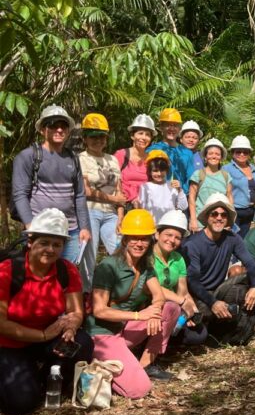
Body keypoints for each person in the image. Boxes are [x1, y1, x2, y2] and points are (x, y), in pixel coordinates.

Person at [0, 209, 94, 415]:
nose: (50, 249)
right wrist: (43, 335)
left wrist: (71, 326)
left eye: (57, 244)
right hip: (9, 343)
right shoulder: (8, 270)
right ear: (30, 242)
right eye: (44, 243)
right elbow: (2, 324)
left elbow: (76, 311)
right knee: (21, 405)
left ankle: (46, 379)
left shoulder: (66, 270)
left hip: (47, 338)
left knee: (82, 342)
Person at [87, 209, 181, 396]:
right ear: (125, 239)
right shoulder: (109, 266)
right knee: (140, 389)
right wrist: (140, 315)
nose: (139, 243)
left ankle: (143, 365)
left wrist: (154, 312)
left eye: (144, 238)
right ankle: (98, 362)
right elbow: (99, 310)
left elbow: (160, 295)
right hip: (102, 335)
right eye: (134, 238)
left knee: (171, 308)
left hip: (124, 329)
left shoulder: (144, 265)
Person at [12, 105, 91, 264]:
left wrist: (84, 227)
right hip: (41, 230)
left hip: (70, 230)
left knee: (66, 276)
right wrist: (30, 226)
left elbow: (80, 195)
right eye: (53, 125)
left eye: (64, 126)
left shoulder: (73, 158)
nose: (59, 129)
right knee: (37, 277)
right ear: (42, 129)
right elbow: (20, 194)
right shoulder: (28, 156)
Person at [182, 194, 255, 336]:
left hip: (219, 289)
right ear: (207, 216)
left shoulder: (232, 238)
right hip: (198, 295)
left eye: (224, 215)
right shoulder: (193, 243)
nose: (219, 218)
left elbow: (250, 263)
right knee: (200, 325)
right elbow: (193, 281)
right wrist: (212, 302)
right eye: (214, 214)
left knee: (246, 288)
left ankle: (238, 334)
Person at [79, 113, 126, 287]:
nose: (97, 140)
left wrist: (120, 216)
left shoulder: (112, 159)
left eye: (101, 137)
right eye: (93, 137)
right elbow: (86, 190)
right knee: (89, 254)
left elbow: (119, 190)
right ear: (85, 138)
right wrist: (114, 198)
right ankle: (86, 293)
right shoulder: (81, 158)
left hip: (111, 213)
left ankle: (117, 290)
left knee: (120, 249)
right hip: (90, 210)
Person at [153, 211, 207, 345]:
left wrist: (191, 309)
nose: (172, 240)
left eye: (177, 237)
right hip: (152, 305)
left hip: (173, 305)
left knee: (199, 334)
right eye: (168, 235)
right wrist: (182, 302)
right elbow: (153, 289)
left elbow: (182, 290)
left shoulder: (178, 259)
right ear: (157, 234)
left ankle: (167, 340)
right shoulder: (148, 257)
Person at [148, 108, 196, 194]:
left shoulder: (187, 153)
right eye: (168, 125)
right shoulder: (152, 150)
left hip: (180, 200)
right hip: (156, 198)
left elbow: (191, 179)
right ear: (161, 127)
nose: (172, 128)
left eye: (175, 125)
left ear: (179, 129)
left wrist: (181, 189)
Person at [189, 139, 233, 232]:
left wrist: (230, 219)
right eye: (211, 153)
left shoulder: (226, 175)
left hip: (219, 221)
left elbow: (229, 197)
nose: (214, 156)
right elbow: (192, 198)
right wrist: (193, 219)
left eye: (217, 154)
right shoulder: (198, 174)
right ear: (205, 156)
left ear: (221, 157)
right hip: (201, 222)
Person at [116, 114, 156, 209]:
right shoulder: (121, 155)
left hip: (146, 206)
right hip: (124, 205)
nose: (143, 137)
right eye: (140, 133)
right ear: (132, 136)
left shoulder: (151, 158)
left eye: (147, 135)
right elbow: (114, 180)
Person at [138, 150, 188, 225]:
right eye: (155, 171)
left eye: (162, 170)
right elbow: (142, 208)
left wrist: (180, 190)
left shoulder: (172, 186)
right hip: (151, 225)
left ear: (167, 170)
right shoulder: (145, 187)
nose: (159, 174)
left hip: (169, 225)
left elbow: (183, 207)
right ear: (150, 172)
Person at [223, 135, 255, 238]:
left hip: (251, 212)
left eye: (245, 152)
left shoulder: (254, 169)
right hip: (235, 212)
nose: (242, 154)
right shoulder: (226, 169)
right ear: (232, 153)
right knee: (233, 239)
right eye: (238, 151)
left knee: (245, 241)